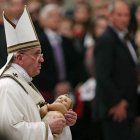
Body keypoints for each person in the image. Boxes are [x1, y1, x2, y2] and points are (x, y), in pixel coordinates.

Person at [0, 6, 77, 140]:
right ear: (19, 58)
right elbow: (9, 131)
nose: (42, 59)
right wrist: (47, 128)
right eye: (36, 54)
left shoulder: (24, 82)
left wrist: (60, 119)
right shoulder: (7, 86)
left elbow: (37, 117)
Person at [93, 1, 138, 140]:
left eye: (126, 15)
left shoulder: (127, 38)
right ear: (110, 16)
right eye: (119, 15)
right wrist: (117, 102)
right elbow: (102, 76)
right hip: (114, 108)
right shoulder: (106, 40)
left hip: (129, 105)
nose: (124, 19)